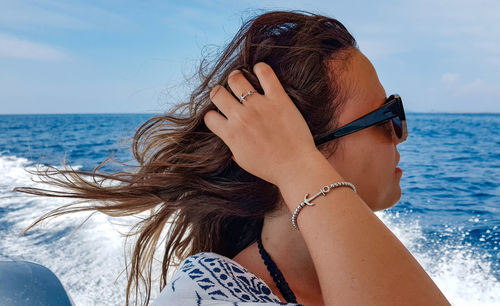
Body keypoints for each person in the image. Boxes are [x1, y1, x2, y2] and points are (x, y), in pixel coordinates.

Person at [16, 11, 451, 306]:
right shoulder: (207, 293)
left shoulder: (374, 269)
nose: (401, 136)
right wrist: (296, 165)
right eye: (386, 117)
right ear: (291, 143)